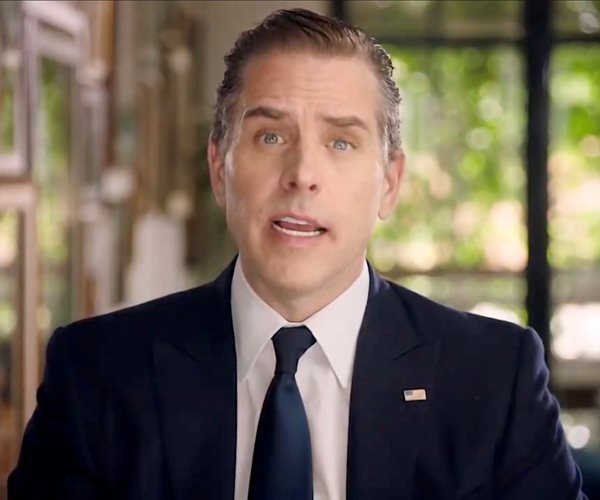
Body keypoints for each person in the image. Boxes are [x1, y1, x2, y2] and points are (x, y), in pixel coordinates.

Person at [9, 8, 585, 500]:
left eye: (341, 142)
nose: (303, 173)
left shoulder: (494, 377)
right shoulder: (97, 373)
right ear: (219, 168)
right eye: (271, 136)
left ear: (389, 183)